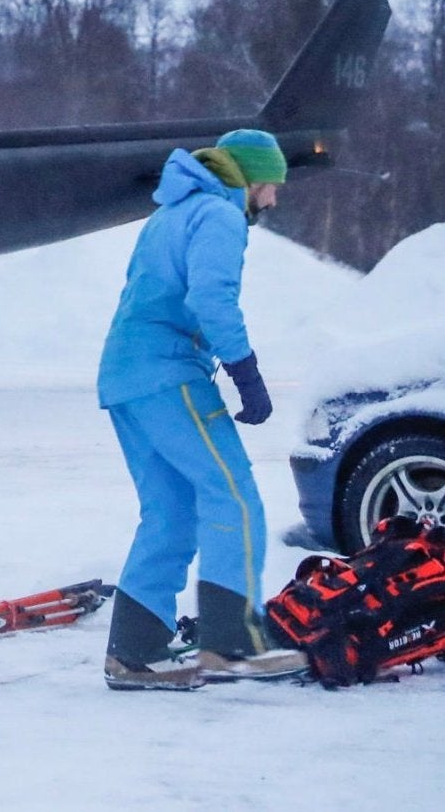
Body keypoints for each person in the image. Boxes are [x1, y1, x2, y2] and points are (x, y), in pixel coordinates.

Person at [96, 129, 309, 690]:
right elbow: (211, 299)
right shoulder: (219, 215)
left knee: (170, 513)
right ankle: (232, 641)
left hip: (124, 376)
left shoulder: (171, 213)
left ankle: (134, 654)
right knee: (233, 496)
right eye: (273, 186)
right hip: (169, 373)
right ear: (252, 177)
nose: (273, 199)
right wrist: (246, 372)